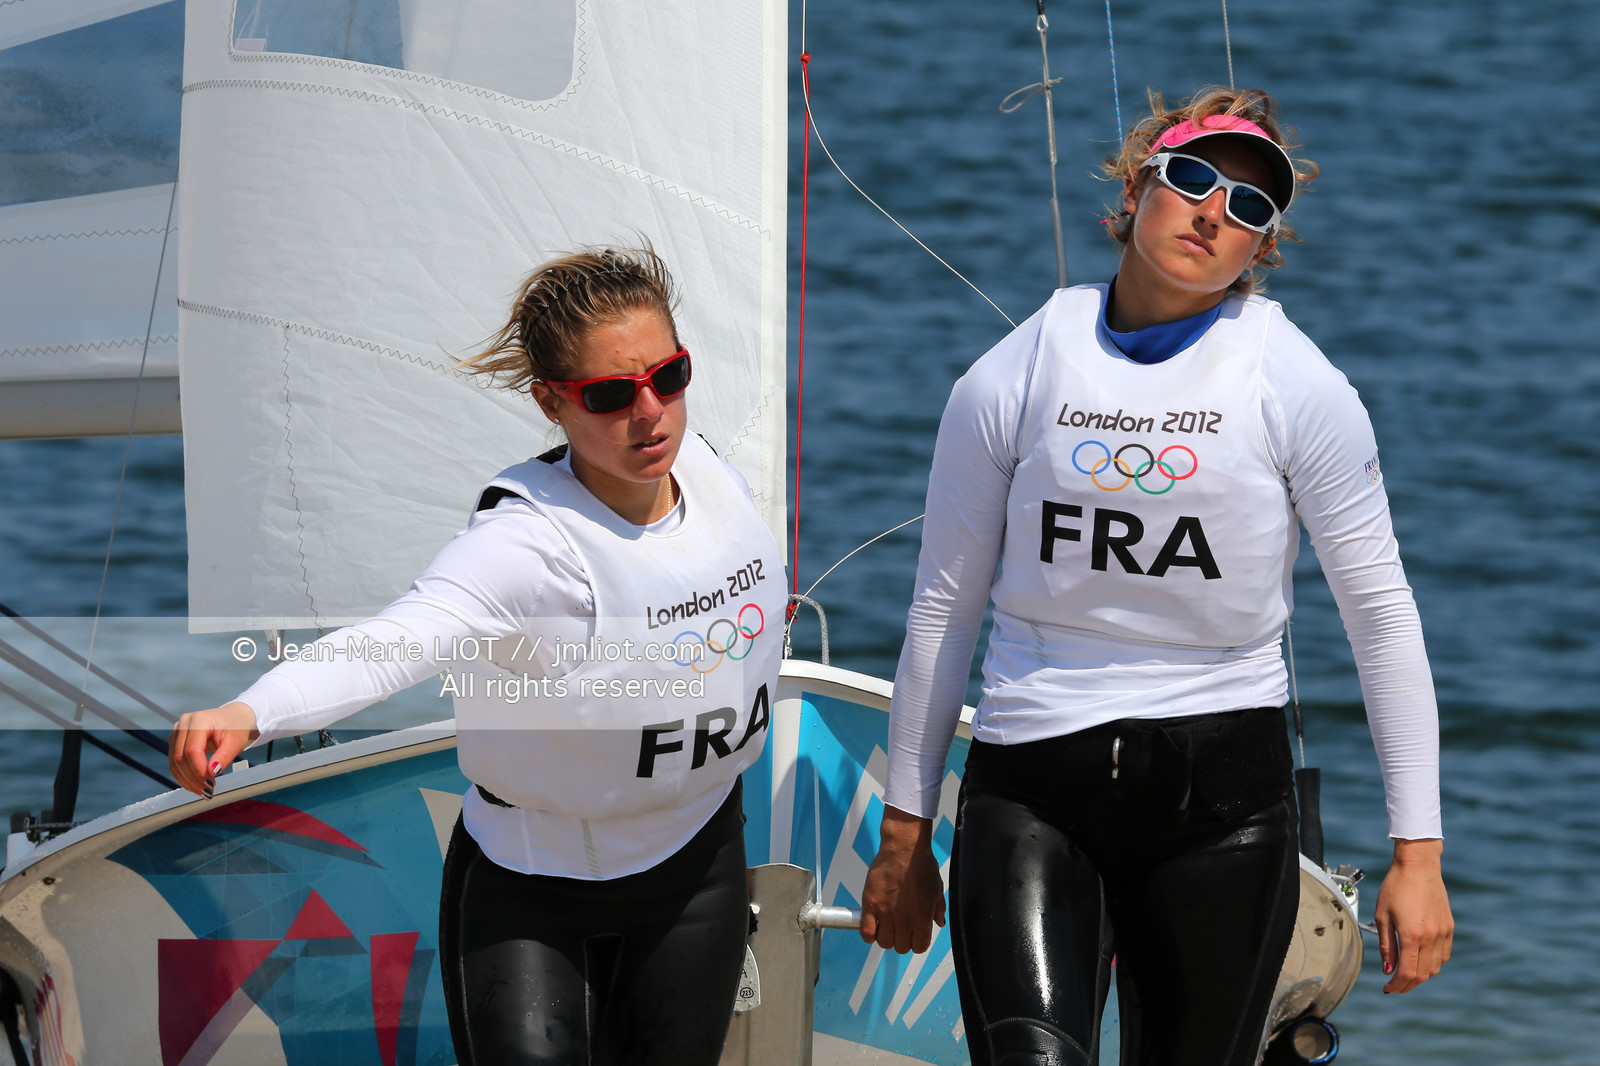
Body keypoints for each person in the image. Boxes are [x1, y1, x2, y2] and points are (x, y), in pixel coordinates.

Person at [859, 88, 1454, 1065]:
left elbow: (1381, 617)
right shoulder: (1012, 373)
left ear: (1259, 250)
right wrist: (902, 839)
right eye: (1190, 178)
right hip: (1031, 794)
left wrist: (1417, 858)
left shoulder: (1297, 386)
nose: (1214, 210)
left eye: (1251, 208)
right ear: (1135, 191)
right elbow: (942, 605)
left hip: (1220, 810)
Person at [167, 247, 786, 1066]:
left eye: (668, 376)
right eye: (608, 395)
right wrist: (251, 712)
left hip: (696, 866)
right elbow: (395, 643)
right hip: (533, 891)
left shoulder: (713, 478)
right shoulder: (525, 545)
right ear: (551, 403)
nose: (650, 413)